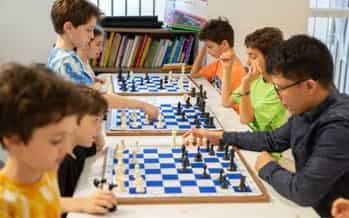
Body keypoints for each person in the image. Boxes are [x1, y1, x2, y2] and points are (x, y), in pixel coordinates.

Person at [183, 35, 349, 217]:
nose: (278, 96)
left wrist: (267, 167)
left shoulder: (339, 127)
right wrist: (220, 137)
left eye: (279, 88)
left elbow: (302, 191)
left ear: (309, 86)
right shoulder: (309, 107)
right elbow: (272, 140)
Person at [47, 0, 159, 119]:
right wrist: (142, 105)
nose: (91, 36)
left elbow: (76, 85)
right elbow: (99, 98)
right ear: (68, 27)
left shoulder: (59, 54)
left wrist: (88, 79)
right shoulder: (66, 62)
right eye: (88, 30)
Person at [0, 63, 86, 218]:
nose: (67, 148)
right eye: (56, 140)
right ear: (14, 141)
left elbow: (50, 205)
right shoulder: (4, 203)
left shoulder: (47, 171)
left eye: (70, 135)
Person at [59, 85, 117, 217]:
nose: (99, 129)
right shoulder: (58, 161)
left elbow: (98, 146)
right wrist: (81, 203)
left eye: (101, 121)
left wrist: (95, 124)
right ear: (72, 120)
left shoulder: (78, 148)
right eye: (95, 121)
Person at [221, 27, 287, 131]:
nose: (247, 62)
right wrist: (227, 68)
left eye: (253, 57)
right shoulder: (257, 78)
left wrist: (246, 84)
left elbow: (245, 119)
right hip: (251, 136)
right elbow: (226, 102)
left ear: (270, 57)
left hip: (267, 144)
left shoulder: (279, 90)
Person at [190, 17, 245, 111]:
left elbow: (235, 110)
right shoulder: (220, 62)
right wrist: (203, 50)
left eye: (210, 47)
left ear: (224, 44)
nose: (207, 51)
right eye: (206, 47)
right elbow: (194, 74)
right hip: (217, 109)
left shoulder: (237, 72)